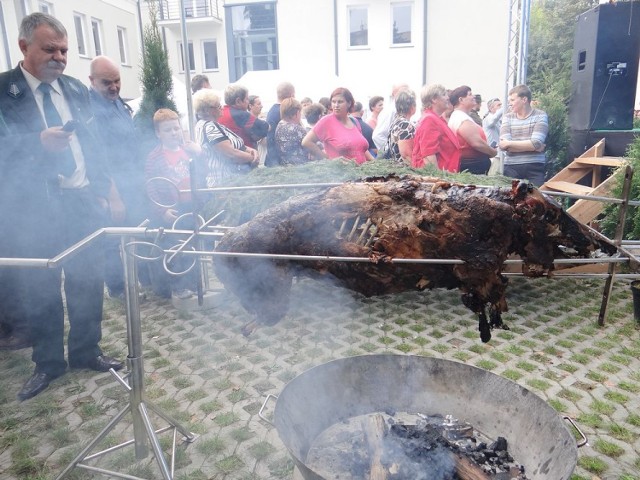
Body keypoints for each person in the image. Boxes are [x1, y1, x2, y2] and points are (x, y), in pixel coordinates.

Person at [0, 12, 124, 401]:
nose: (59, 57)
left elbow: (96, 143)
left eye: (64, 50)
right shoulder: (4, 91)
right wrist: (37, 143)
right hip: (34, 210)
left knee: (88, 280)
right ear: (24, 46)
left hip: (82, 202)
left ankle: (87, 351)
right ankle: (48, 362)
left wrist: (106, 189)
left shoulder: (73, 89)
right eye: (49, 49)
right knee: (42, 288)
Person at [89, 55, 143, 299]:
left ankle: (137, 280)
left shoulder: (119, 103)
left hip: (131, 180)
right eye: (106, 82)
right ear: (92, 81)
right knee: (112, 240)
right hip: (111, 185)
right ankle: (118, 289)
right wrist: (113, 196)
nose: (113, 87)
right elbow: (98, 157)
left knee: (135, 232)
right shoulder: (91, 110)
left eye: (117, 81)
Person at [144, 109, 202, 299]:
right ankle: (178, 286)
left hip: (191, 205)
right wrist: (162, 210)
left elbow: (204, 173)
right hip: (172, 209)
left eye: (176, 128)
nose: (174, 133)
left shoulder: (188, 150)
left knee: (193, 245)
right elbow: (150, 186)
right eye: (168, 130)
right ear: (158, 133)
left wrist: (199, 153)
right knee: (176, 248)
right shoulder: (154, 157)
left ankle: (194, 283)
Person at [193, 88, 259, 186]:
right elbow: (231, 154)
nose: (221, 108)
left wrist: (251, 151)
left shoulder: (208, 125)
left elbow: (237, 146)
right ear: (207, 111)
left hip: (230, 181)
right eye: (218, 106)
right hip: (223, 183)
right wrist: (252, 158)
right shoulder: (210, 127)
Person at [302, 87, 373, 164]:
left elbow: (360, 148)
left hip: (362, 173)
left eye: (340, 102)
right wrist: (329, 160)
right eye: (333, 102)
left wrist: (374, 163)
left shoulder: (354, 121)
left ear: (349, 103)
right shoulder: (326, 121)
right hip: (341, 174)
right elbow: (306, 142)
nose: (336, 105)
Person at [499, 84, 548, 186]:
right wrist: (532, 147)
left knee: (535, 199)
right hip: (511, 167)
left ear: (524, 99)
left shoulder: (540, 115)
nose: (510, 104)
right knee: (509, 200)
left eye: (512, 100)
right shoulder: (507, 117)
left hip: (534, 168)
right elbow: (503, 145)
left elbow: (536, 143)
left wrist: (510, 144)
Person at [448, 85, 496, 174]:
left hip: (473, 165)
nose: (473, 96)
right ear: (461, 100)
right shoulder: (461, 118)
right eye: (470, 94)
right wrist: (493, 152)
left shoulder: (459, 116)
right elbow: (476, 143)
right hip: (472, 167)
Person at [412, 84, 460, 171]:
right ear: (434, 99)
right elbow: (428, 154)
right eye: (444, 94)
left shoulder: (437, 119)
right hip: (438, 176)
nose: (448, 98)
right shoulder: (429, 120)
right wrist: (438, 178)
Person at [218, 84, 269, 151]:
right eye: (247, 99)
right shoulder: (241, 114)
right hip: (245, 154)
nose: (248, 102)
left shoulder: (221, 111)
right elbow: (265, 126)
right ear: (238, 101)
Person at [265, 81, 295, 167]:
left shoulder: (272, 110)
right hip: (279, 161)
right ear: (292, 95)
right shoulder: (284, 111)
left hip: (272, 158)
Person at [372, 83, 410, 150]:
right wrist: (393, 151)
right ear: (394, 93)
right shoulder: (391, 111)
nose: (407, 94)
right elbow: (377, 136)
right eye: (404, 91)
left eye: (408, 91)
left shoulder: (402, 109)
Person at [385, 89, 416, 165]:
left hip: (397, 170)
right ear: (412, 106)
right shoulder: (405, 125)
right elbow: (407, 156)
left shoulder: (396, 121)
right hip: (406, 172)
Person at [275, 98, 310, 165]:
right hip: (300, 168)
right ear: (297, 113)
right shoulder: (296, 129)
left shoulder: (280, 124)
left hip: (284, 165)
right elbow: (313, 144)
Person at [483, 97, 504, 175]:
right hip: (494, 156)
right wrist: (505, 108)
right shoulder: (488, 118)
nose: (501, 107)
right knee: (494, 178)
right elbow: (493, 120)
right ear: (491, 108)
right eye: (499, 105)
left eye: (501, 105)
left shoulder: (499, 120)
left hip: (499, 154)